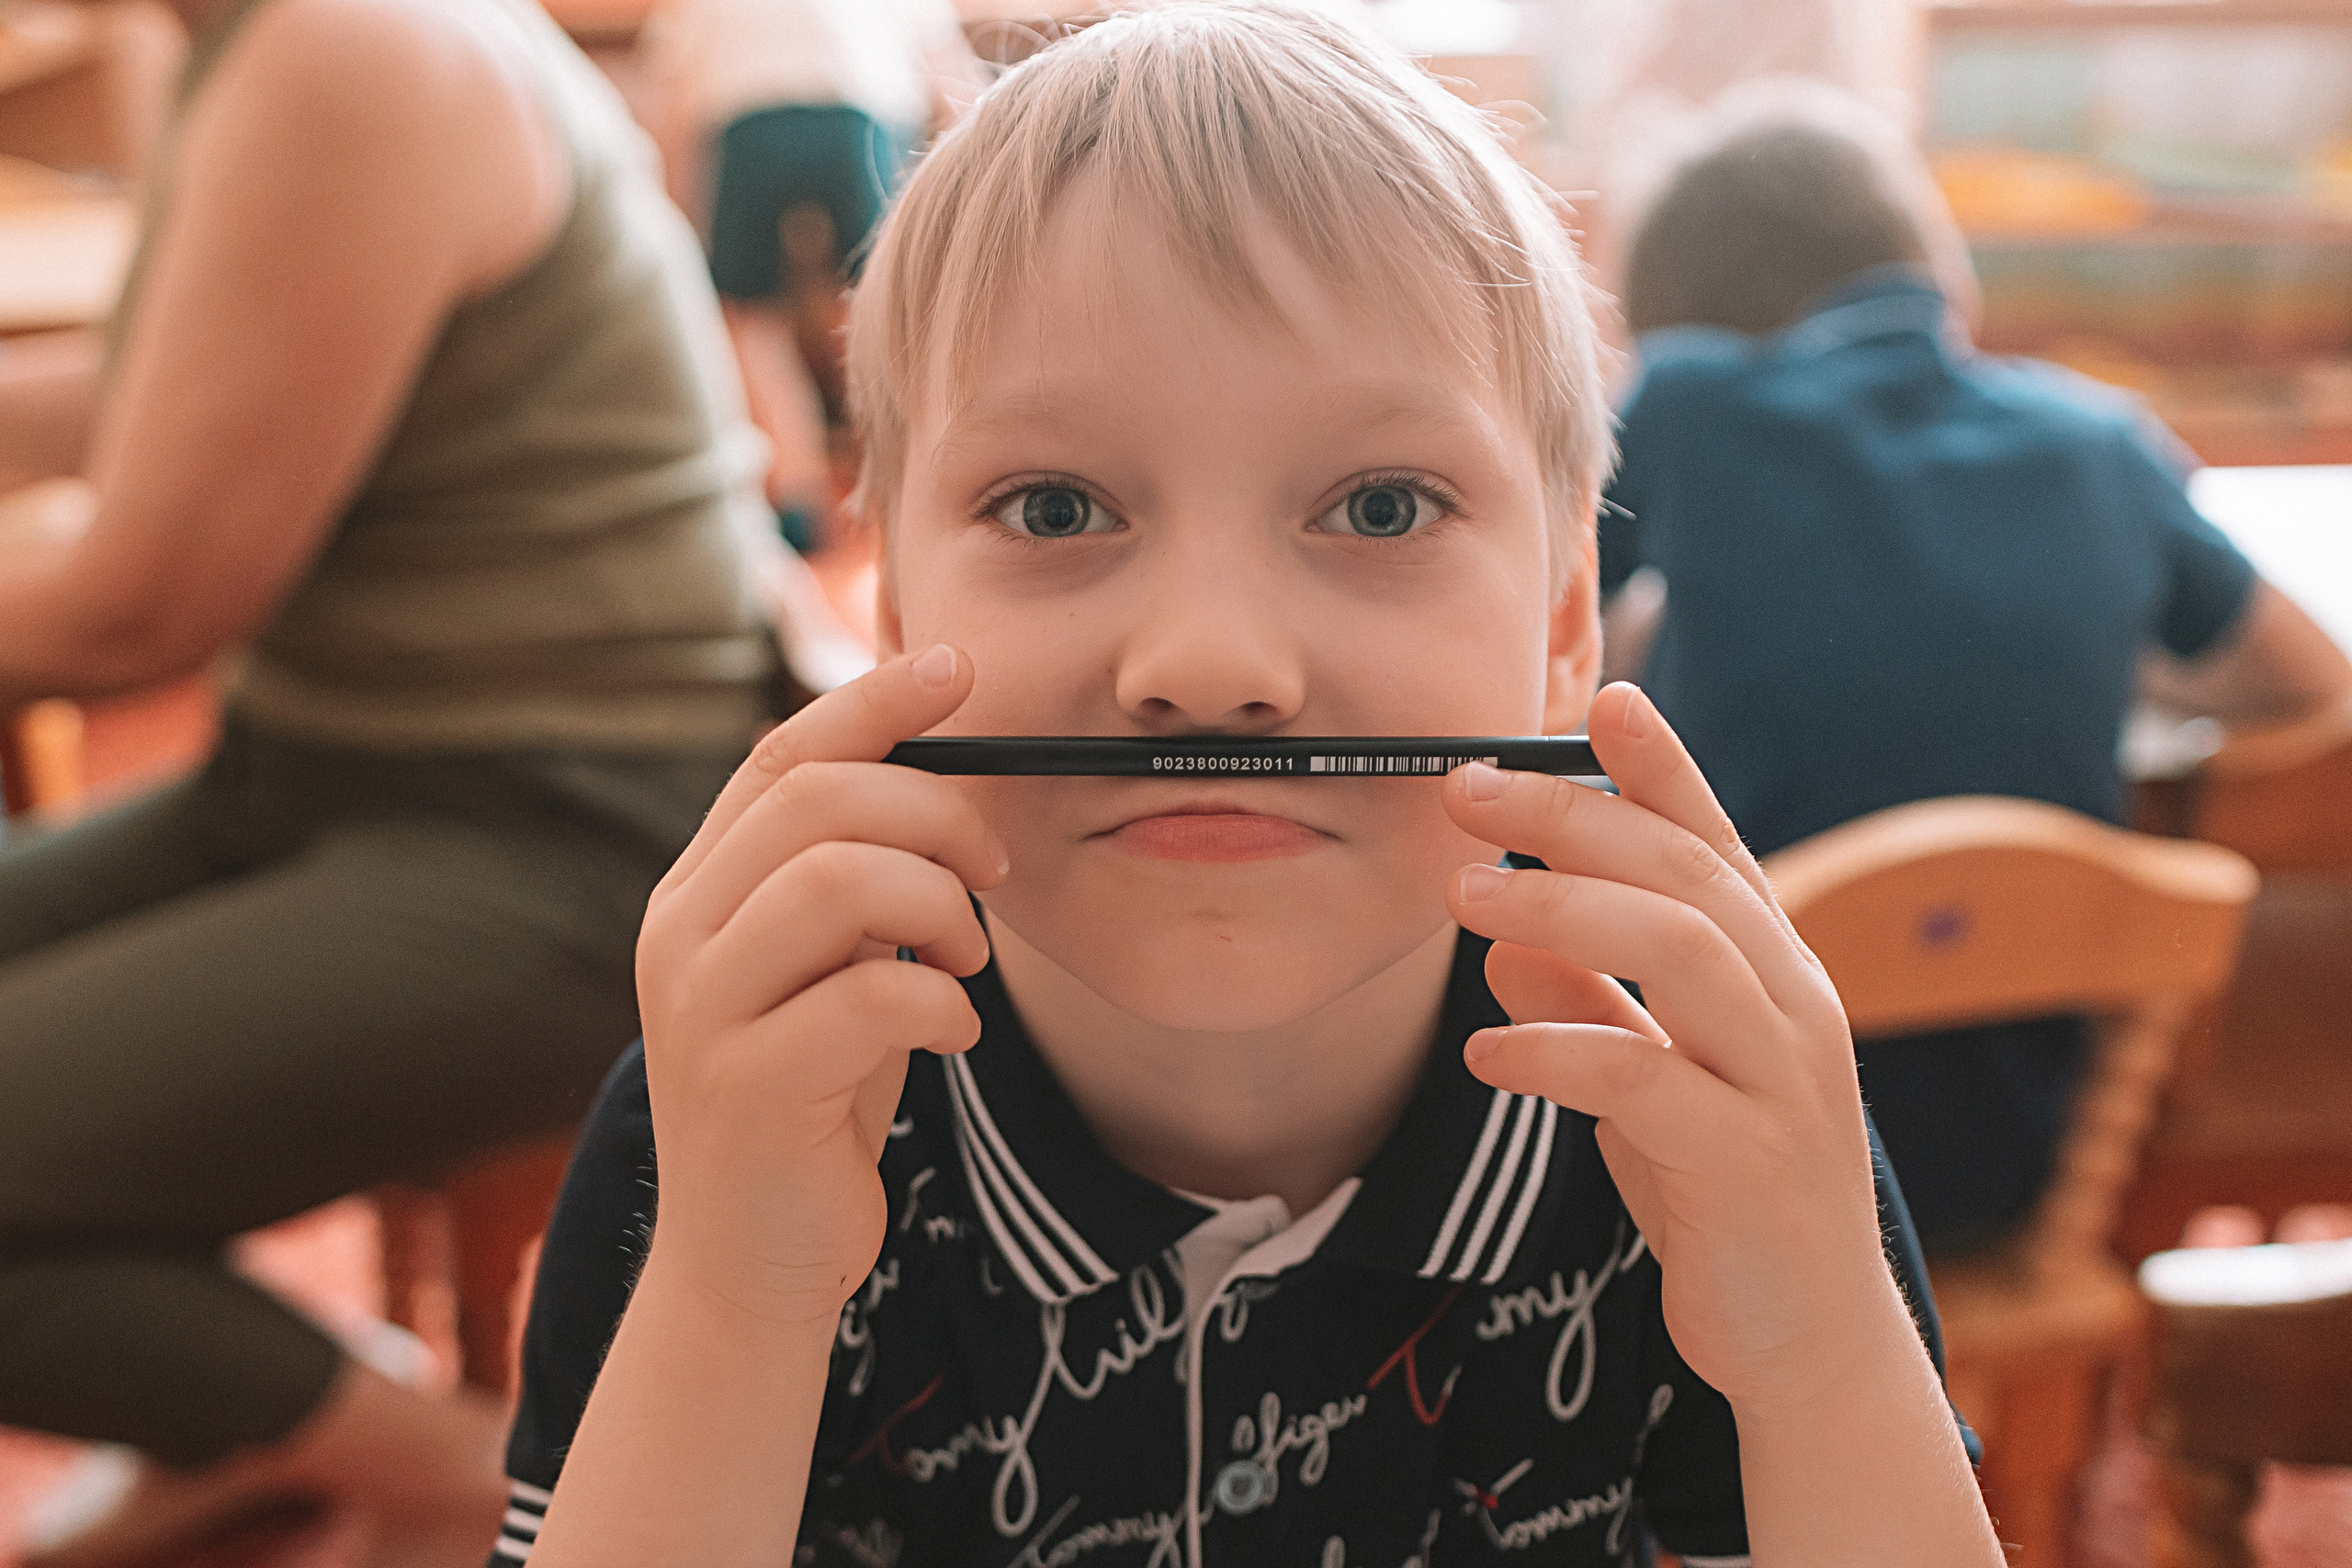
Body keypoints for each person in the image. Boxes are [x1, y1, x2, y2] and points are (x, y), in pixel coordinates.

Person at [498, 6, 2006, 1564]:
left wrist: (1818, 1348)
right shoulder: (750, 1107)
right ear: (897, 623)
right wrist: (736, 1292)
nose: (1212, 665)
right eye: (1056, 504)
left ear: (1561, 623)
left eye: (1379, 503)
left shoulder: (1700, 1112)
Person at [0, 0, 779, 1558]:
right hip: (328, 774)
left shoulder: (349, 48)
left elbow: (141, 605)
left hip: (577, 823)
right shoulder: (252, 44)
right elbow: (195, 374)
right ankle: (244, 1420)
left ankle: (458, 1470)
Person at [1597, 90, 2352, 1255]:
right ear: (1941, 270)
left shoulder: (1686, 404)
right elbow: (2307, 678)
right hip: (2007, 1171)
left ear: (1673, 316)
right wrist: (2104, 654)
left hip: (1709, 1180)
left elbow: (1530, 647)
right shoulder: (2098, 440)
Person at [643, 0, 984, 550]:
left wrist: (680, 215)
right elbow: (949, 78)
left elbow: (672, 101)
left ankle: (798, 493)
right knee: (878, 303)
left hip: (745, 120)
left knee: (748, 316)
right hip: (858, 106)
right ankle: (903, 485)